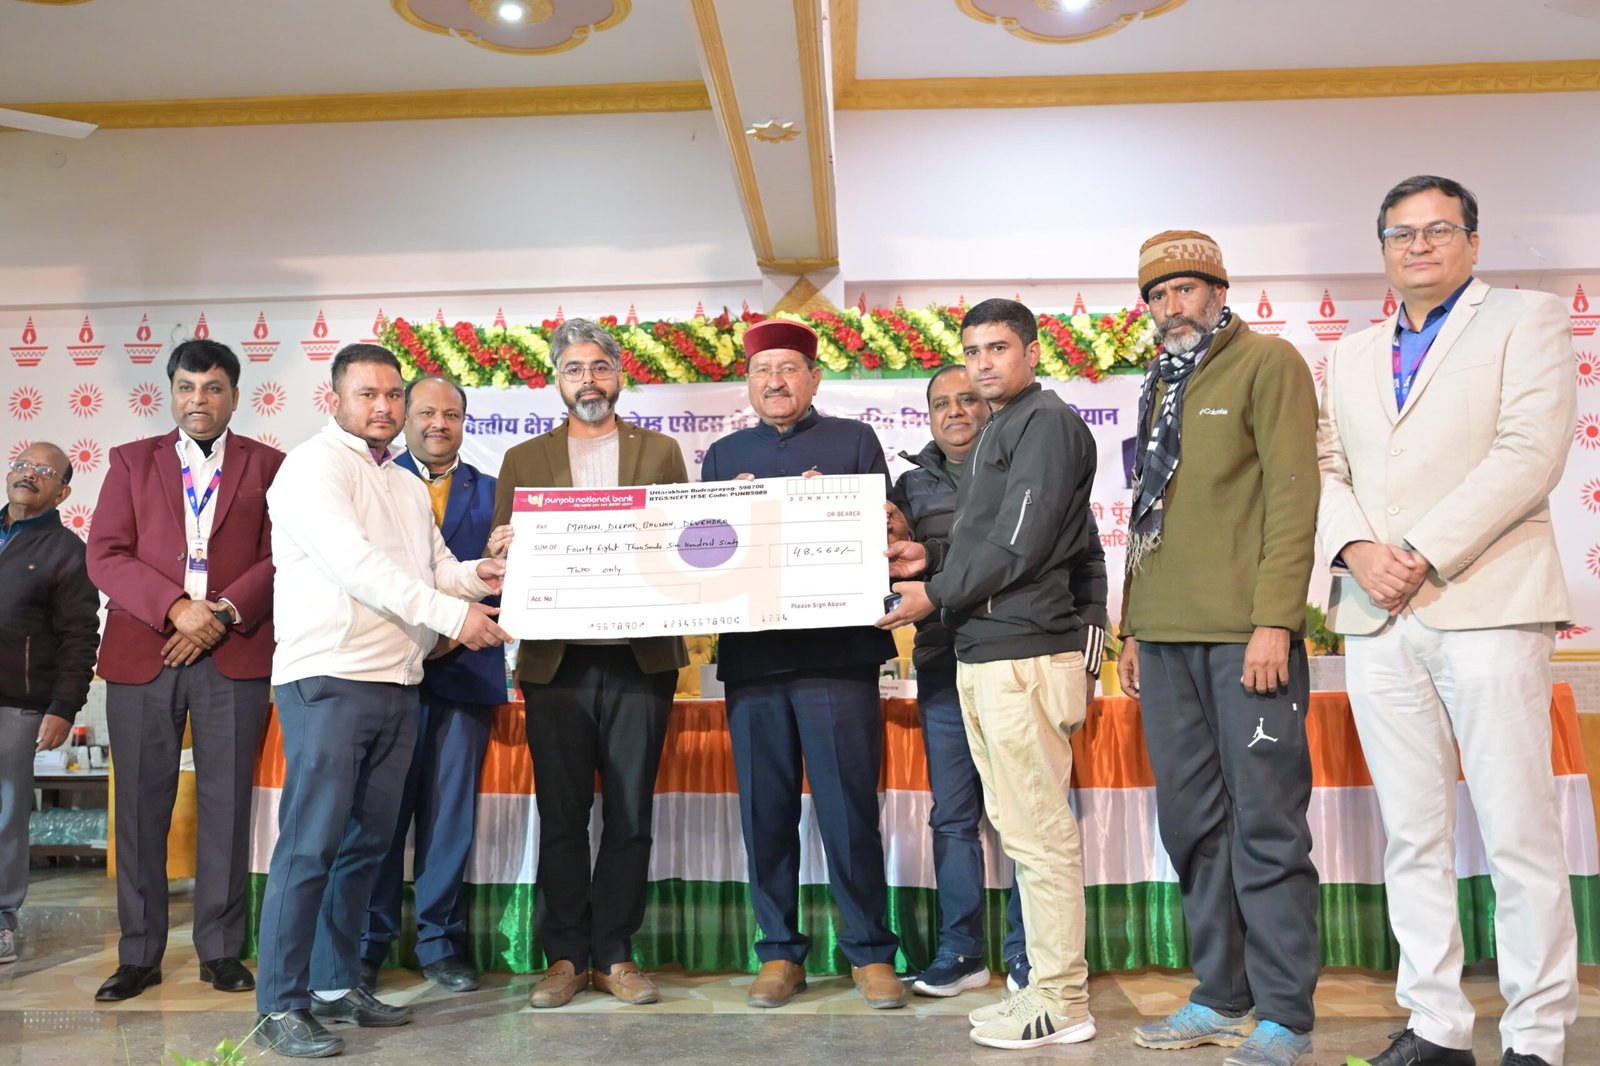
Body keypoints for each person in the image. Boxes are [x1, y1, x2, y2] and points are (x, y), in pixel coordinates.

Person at [1319, 176, 1579, 1066]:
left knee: (1518, 833)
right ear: (1383, 249)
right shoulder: (1352, 352)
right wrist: (1358, 549)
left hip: (1488, 604)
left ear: (1473, 240)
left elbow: (1530, 452)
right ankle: (1435, 1026)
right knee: (1412, 836)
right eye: (1402, 233)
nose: (1419, 245)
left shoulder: (1527, 319)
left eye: (1438, 230)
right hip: (1376, 614)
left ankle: (1537, 1036)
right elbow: (1325, 465)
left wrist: (1420, 550)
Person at [254, 344, 508, 1059]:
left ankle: (336, 985)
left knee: (364, 849)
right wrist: (456, 617)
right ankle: (279, 1004)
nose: (384, 407)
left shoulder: (400, 480)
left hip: (398, 681)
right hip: (329, 679)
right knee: (310, 846)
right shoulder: (312, 467)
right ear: (335, 398)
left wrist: (481, 575)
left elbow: (434, 569)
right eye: (368, 394)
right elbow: (358, 568)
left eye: (393, 395)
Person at [1115, 232, 1321, 1066]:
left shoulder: (1268, 363)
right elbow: (1147, 509)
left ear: (1220, 292)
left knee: (1266, 822)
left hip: (1245, 638)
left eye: (1188, 289)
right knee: (1193, 825)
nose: (1173, 307)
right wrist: (1133, 626)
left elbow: (1294, 494)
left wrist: (1276, 619)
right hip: (1165, 638)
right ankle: (1221, 995)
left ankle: (1286, 1014)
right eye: (1158, 295)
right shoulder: (1160, 381)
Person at [879, 297, 1104, 1051]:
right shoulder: (1004, 427)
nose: (982, 363)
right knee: (1019, 830)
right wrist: (931, 558)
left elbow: (1022, 542)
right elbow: (989, 542)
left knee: (1039, 836)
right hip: (985, 651)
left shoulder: (1046, 423)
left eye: (997, 348)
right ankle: (1044, 988)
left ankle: (1062, 1000)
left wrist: (935, 592)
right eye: (972, 350)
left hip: (1024, 653)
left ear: (1032, 352)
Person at [700, 318, 906, 1011]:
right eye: (763, 371)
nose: (775, 382)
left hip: (837, 656)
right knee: (765, 813)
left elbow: (886, 531)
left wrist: (840, 508)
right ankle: (780, 953)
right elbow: (706, 558)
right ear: (748, 384)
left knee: (849, 810)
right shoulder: (724, 456)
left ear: (814, 379)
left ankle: (870, 952)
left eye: (789, 368)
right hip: (755, 660)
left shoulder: (853, 442)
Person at [489, 318, 690, 1009]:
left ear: (619, 375)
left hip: (641, 661)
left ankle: (615, 953)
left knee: (631, 814)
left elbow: (679, 548)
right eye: (574, 369)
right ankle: (566, 956)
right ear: (557, 380)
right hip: (556, 665)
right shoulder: (524, 459)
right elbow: (501, 559)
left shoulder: (661, 451)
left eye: (599, 367)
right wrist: (504, 548)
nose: (589, 380)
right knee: (562, 814)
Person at [86, 339, 284, 1003]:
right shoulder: (131, 462)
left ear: (235, 395)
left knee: (228, 805)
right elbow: (106, 554)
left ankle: (221, 950)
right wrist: (175, 608)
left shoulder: (269, 465)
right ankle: (138, 954)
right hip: (146, 651)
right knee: (141, 807)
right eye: (187, 388)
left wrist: (219, 614)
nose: (199, 400)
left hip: (233, 652)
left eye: (213, 388)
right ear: (171, 393)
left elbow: (283, 555)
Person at [359, 377, 504, 995]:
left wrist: (448, 641)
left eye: (451, 413)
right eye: (425, 411)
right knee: (378, 819)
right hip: (387, 675)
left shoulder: (495, 492)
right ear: (404, 416)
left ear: (465, 422)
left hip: (464, 677)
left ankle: (441, 944)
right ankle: (367, 944)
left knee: (448, 821)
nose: (437, 423)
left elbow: (507, 580)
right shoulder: (373, 483)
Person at [888, 367, 1028, 998]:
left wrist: (1088, 654)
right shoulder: (910, 486)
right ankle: (961, 952)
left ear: (988, 405)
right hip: (943, 665)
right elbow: (897, 568)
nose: (955, 411)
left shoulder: (1026, 462)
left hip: (1015, 658)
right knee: (953, 817)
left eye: (967, 398)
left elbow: (1076, 558)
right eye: (941, 403)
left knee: (1026, 811)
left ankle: (1031, 953)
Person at [0, 443, 100, 966]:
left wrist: (64, 706)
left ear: (62, 492)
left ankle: (1, 917)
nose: (28, 474)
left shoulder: (66, 551)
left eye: (43, 471)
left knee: (4, 812)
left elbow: (80, 637)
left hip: (15, 702)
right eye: (21, 464)